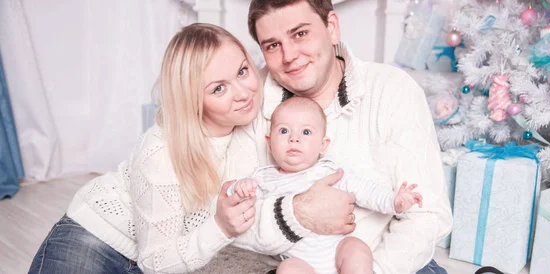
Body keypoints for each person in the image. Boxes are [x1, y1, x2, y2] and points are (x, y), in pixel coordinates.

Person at [28, 23, 268, 273]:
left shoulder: (253, 118)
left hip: (158, 255)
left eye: (242, 71)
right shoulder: (161, 151)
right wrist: (220, 227)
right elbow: (155, 263)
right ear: (193, 100)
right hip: (94, 239)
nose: (243, 93)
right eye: (219, 88)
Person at [242, 1, 453, 273]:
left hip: (384, 264)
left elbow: (425, 215)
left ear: (331, 27)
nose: (289, 56)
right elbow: (229, 223)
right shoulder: (250, 101)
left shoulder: (393, 89)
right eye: (272, 45)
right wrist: (296, 212)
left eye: (300, 34)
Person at [231, 96, 423, 274]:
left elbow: (364, 190)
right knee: (287, 268)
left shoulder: (329, 171)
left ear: (323, 145)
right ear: (270, 143)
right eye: (283, 131)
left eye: (306, 132)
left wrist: (393, 201)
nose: (294, 138)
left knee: (356, 248)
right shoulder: (264, 178)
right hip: (300, 261)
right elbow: (242, 209)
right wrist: (240, 188)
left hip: (336, 253)